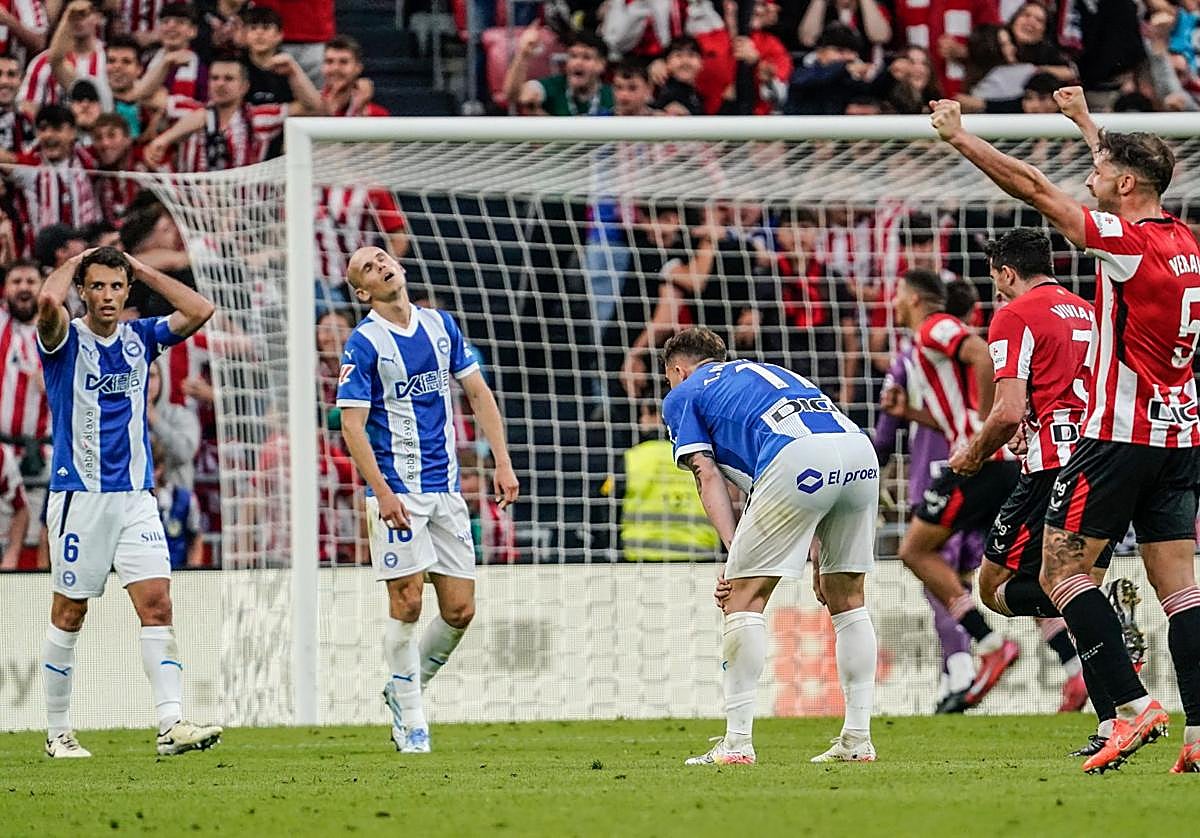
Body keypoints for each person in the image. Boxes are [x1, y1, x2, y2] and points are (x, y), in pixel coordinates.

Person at [931, 88, 1200, 774]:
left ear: (1126, 183)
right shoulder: (1183, 243)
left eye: (1102, 167)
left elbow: (1034, 186)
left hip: (1115, 437)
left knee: (1061, 571)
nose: (1092, 174)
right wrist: (1086, 124)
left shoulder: (1126, 243)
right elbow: (1117, 181)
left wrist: (959, 139)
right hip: (1180, 436)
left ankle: (1133, 708)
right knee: (1182, 591)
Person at [948, 227, 1132, 749]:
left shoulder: (1014, 314)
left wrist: (974, 454)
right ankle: (1110, 725)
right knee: (1074, 592)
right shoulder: (1089, 309)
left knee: (993, 590)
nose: (997, 291)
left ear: (1007, 272)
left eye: (997, 280)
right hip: (1103, 460)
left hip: (1050, 466)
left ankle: (1105, 612)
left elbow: (1007, 412)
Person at [661, 326, 878, 766]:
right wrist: (820, 554)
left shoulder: (684, 394)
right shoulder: (767, 372)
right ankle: (858, 738)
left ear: (678, 370)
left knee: (743, 598)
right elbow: (817, 464)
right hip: (858, 452)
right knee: (848, 599)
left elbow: (706, 474)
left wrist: (733, 551)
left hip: (796, 457)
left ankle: (737, 744)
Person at [36, 245, 218, 758]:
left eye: (117, 286)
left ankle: (170, 724)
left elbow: (200, 310)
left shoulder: (142, 339)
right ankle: (57, 731)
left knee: (157, 604)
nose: (108, 296)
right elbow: (49, 303)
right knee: (69, 614)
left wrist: (139, 268)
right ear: (83, 291)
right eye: (97, 286)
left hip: (137, 497)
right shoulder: (64, 339)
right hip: (80, 498)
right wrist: (77, 261)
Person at [336, 246, 519, 754]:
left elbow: (478, 393)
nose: (380, 264)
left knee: (460, 611)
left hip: (447, 490)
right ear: (363, 292)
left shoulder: (441, 325)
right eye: (368, 268)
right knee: (409, 602)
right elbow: (352, 426)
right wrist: (381, 492)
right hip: (397, 491)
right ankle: (412, 719)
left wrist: (501, 460)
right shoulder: (364, 343)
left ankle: (402, 686)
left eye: (381, 257)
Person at [884, 267, 1022, 708]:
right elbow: (952, 411)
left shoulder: (934, 327)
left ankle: (987, 645)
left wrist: (983, 430)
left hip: (979, 464)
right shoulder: (926, 345)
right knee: (1015, 570)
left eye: (898, 295)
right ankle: (1075, 658)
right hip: (998, 464)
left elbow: (981, 355)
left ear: (917, 300)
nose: (894, 303)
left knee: (915, 551)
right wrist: (912, 412)